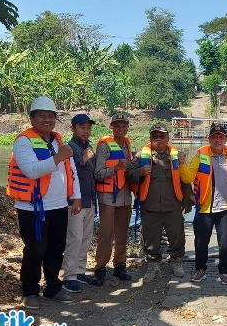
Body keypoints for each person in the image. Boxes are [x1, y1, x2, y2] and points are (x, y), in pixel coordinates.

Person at [6, 96, 81, 309]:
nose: (47, 120)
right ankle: (29, 291)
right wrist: (59, 157)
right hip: (33, 208)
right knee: (35, 250)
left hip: (59, 205)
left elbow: (71, 170)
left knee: (56, 248)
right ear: (32, 119)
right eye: (42, 116)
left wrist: (76, 196)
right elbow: (31, 171)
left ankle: (52, 286)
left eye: (51, 116)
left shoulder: (57, 140)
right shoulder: (23, 141)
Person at [179, 124, 227, 285]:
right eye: (214, 137)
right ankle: (200, 269)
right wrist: (182, 164)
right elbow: (188, 178)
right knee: (201, 241)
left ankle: (224, 271)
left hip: (225, 207)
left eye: (221, 137)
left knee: (225, 241)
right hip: (204, 207)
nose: (218, 140)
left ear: (225, 139)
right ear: (209, 139)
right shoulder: (200, 156)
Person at [127, 122, 193, 283]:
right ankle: (153, 266)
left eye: (161, 135)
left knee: (177, 237)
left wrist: (187, 202)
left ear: (168, 138)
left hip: (173, 206)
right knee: (150, 239)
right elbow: (128, 174)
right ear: (150, 138)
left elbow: (185, 180)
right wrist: (140, 172)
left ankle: (176, 262)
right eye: (154, 136)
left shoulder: (177, 155)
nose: (158, 139)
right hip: (150, 207)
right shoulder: (141, 156)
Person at [91, 112, 135, 285]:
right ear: (112, 127)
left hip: (125, 196)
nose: (121, 129)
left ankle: (120, 265)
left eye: (124, 126)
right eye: (117, 126)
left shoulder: (129, 146)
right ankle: (100, 268)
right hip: (108, 196)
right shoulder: (104, 146)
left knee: (122, 233)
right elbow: (98, 173)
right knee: (106, 233)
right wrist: (115, 168)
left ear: (127, 127)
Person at [61, 114, 97, 293]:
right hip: (74, 202)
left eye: (88, 128)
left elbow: (94, 174)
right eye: (82, 127)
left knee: (86, 237)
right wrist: (82, 160)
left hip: (90, 200)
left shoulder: (89, 147)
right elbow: (69, 174)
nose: (86, 131)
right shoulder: (67, 148)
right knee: (74, 238)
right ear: (72, 129)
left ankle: (80, 271)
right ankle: (69, 276)